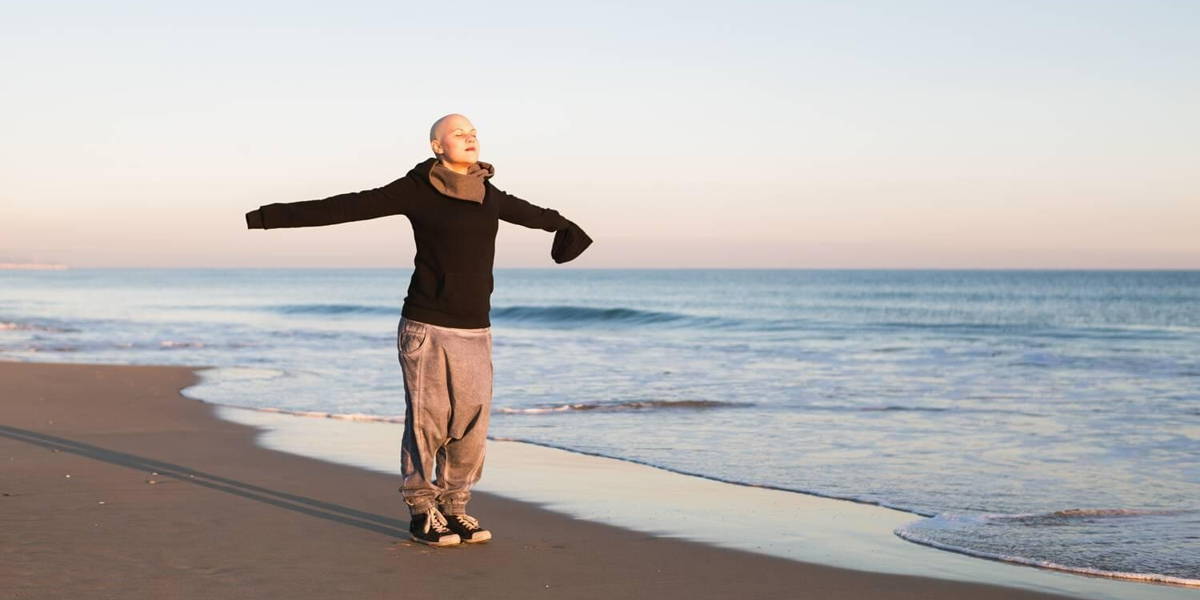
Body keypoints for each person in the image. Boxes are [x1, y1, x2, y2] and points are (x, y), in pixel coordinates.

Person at [243, 113, 593, 546]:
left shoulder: (489, 194)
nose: (470, 139)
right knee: (428, 422)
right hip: (426, 325)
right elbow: (349, 205)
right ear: (436, 146)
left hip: (475, 329)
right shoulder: (417, 189)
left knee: (471, 424)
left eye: (474, 133)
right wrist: (265, 217)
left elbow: (537, 214)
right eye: (459, 134)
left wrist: (565, 226)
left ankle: (454, 506)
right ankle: (421, 510)